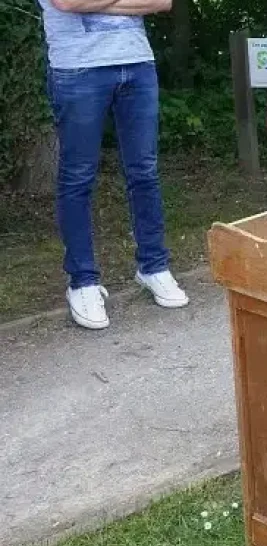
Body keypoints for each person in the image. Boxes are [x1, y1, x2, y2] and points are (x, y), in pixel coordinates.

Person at [38, 0, 189, 331]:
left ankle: (153, 266)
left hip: (138, 64)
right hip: (77, 68)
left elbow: (163, 2)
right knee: (78, 178)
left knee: (145, 172)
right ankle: (83, 282)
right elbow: (67, 2)